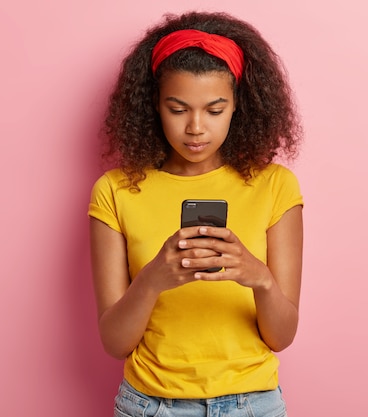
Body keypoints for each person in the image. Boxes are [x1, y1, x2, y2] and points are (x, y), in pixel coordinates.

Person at [88, 10, 304, 417]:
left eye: (215, 109)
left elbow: (282, 336)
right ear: (155, 103)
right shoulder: (115, 191)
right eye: (178, 108)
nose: (196, 128)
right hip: (150, 406)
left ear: (238, 104)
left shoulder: (276, 186)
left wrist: (258, 277)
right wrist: (152, 280)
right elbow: (114, 343)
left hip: (253, 405)